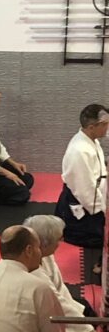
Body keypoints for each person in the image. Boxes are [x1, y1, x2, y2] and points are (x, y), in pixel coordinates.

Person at [24, 214, 100, 332]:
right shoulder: (31, 268)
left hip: (51, 306)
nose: (62, 241)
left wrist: (81, 319)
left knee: (86, 310)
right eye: (58, 239)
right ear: (44, 244)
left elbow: (59, 289)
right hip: (34, 321)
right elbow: (55, 302)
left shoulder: (44, 254)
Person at [54, 103, 108, 249]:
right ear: (91, 127)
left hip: (94, 195)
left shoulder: (91, 140)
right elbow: (85, 191)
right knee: (101, 239)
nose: (107, 127)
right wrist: (103, 211)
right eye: (105, 124)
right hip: (82, 207)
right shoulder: (79, 151)